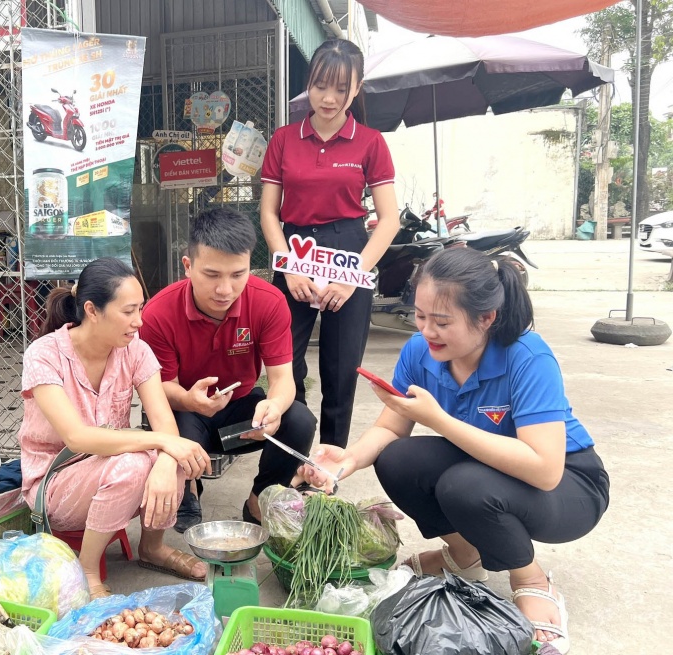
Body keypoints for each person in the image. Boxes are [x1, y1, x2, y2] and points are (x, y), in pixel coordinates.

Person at [301, 248, 609, 653]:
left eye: (443, 322)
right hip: (488, 471)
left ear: (486, 318)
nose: (428, 331)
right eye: (420, 316)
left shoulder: (527, 356)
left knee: (464, 485)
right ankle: (465, 556)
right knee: (397, 459)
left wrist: (439, 420)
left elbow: (545, 469)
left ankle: (530, 578)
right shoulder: (419, 351)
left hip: (569, 485)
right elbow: (392, 427)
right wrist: (350, 459)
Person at [18, 257, 211, 600]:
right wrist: (162, 443)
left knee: (175, 456)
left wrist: (168, 458)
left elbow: (165, 422)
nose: (139, 321)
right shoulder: (44, 354)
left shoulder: (136, 351)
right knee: (141, 461)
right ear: (92, 311)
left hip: (112, 467)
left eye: (141, 309)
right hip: (55, 482)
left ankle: (152, 547)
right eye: (128, 311)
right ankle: (87, 569)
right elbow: (77, 438)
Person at [139, 207, 316, 532]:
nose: (225, 289)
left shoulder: (269, 302)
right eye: (212, 275)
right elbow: (158, 388)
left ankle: (259, 500)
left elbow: (283, 380)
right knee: (171, 427)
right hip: (185, 414)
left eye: (237, 275)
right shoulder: (158, 314)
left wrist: (274, 408)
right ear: (188, 266)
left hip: (240, 419)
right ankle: (188, 486)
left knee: (300, 421)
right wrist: (189, 400)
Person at [260, 38, 400, 448]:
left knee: (341, 370)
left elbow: (389, 219)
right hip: (295, 250)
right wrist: (289, 267)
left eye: (341, 89)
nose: (329, 98)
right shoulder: (283, 139)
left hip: (349, 250)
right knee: (285, 363)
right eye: (321, 86)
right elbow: (269, 213)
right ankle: (294, 453)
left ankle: (329, 462)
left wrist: (352, 277)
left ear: (357, 89)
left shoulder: (370, 142)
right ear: (309, 83)